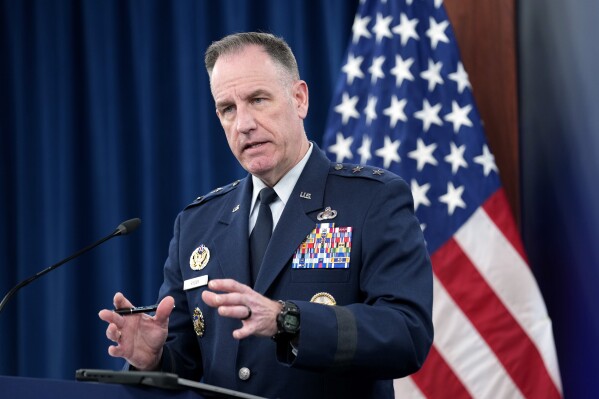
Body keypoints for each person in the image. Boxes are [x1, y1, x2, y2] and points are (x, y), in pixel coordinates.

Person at [99, 32, 433, 399]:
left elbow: (406, 334)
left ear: (299, 98)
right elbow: (190, 360)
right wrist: (155, 358)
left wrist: (285, 320)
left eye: (258, 100)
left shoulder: (372, 200)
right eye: (228, 109)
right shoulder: (198, 223)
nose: (243, 123)